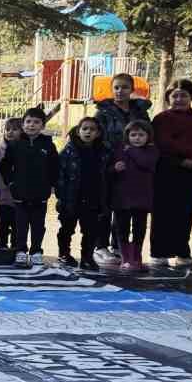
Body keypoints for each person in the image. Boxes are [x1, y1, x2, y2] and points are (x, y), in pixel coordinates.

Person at [150, 79, 192, 268]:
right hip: (167, 172)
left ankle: (182, 250)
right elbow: (163, 142)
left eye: (184, 95)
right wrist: (187, 156)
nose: (179, 99)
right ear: (168, 98)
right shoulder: (162, 119)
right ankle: (159, 252)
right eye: (175, 96)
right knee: (163, 212)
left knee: (186, 213)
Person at [0, 106, 58, 266]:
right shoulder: (15, 145)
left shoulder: (48, 145)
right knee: (20, 224)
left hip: (40, 194)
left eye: (36, 122)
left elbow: (55, 168)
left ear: (43, 126)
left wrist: (52, 185)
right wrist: (11, 183)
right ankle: (20, 251)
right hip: (20, 194)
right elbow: (4, 166)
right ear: (23, 124)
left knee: (38, 225)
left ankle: (36, 251)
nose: (31, 125)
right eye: (28, 121)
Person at [56, 116, 110, 270]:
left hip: (93, 198)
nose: (88, 132)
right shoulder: (68, 150)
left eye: (92, 129)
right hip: (71, 197)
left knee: (91, 230)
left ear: (98, 133)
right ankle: (64, 253)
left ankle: (87, 257)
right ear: (78, 131)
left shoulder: (104, 152)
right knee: (67, 228)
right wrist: (61, 196)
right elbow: (60, 174)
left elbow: (108, 174)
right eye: (84, 129)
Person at [110, 120, 157, 273]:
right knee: (121, 227)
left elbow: (145, 163)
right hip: (121, 197)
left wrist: (130, 151)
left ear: (148, 136)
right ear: (127, 136)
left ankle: (137, 257)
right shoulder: (119, 149)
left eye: (141, 135)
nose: (137, 138)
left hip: (141, 197)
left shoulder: (152, 151)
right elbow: (108, 169)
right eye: (133, 135)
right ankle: (125, 258)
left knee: (139, 228)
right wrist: (114, 168)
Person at [0, 118, 22, 250]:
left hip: (19, 195)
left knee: (17, 224)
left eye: (15, 130)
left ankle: (15, 247)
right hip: (3, 194)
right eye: (8, 129)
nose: (10, 132)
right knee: (2, 223)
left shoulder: (24, 148)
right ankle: (2, 245)